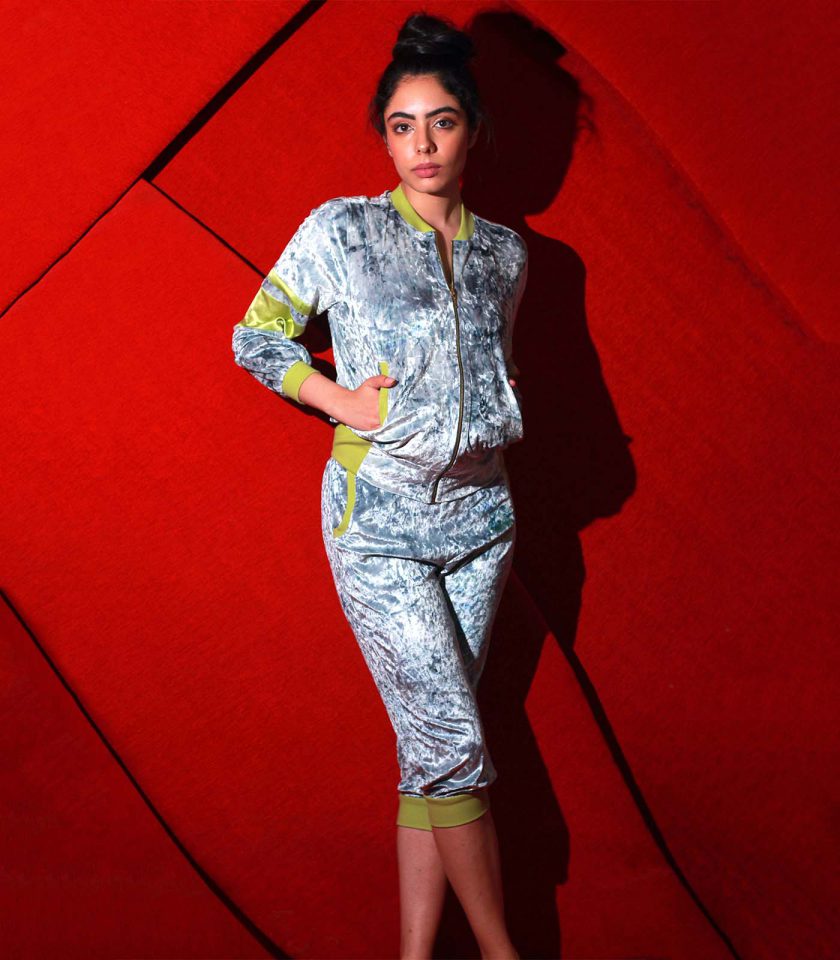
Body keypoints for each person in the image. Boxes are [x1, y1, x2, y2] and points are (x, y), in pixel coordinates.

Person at [232, 12, 527, 959]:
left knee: (429, 750)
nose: (422, 144)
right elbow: (254, 336)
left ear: (472, 130)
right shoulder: (343, 231)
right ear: (385, 138)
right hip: (381, 526)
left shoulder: (508, 254)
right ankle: (502, 952)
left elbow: (495, 366)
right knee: (453, 744)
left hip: (482, 523)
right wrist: (340, 402)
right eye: (402, 126)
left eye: (441, 122)